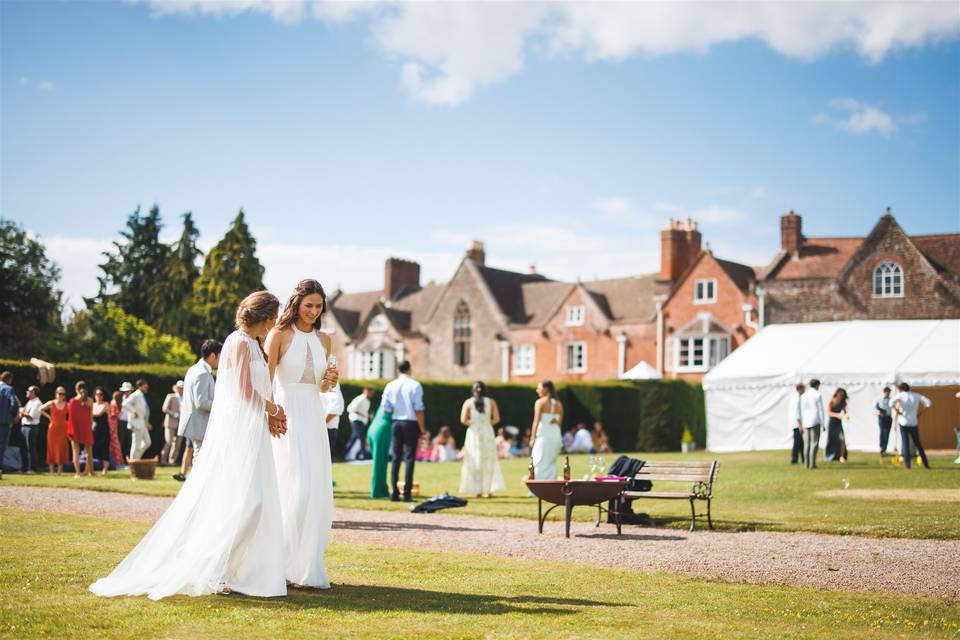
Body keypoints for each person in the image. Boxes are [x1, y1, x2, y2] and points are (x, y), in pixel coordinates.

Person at [90, 290, 289, 600]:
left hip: (255, 430)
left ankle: (231, 567)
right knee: (249, 502)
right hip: (241, 432)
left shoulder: (253, 344)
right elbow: (243, 391)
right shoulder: (238, 342)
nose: (275, 322)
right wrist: (274, 410)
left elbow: (259, 387)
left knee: (255, 501)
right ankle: (215, 564)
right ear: (262, 316)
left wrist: (271, 416)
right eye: (273, 317)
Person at [265, 278, 338, 589]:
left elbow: (320, 386)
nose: (313, 311)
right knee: (289, 486)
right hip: (286, 413)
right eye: (309, 305)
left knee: (313, 489)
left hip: (312, 415)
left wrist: (329, 383)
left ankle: (305, 564)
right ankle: (275, 563)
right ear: (296, 304)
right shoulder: (278, 335)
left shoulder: (325, 340)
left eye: (318, 306)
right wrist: (269, 414)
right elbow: (264, 381)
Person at [175, 339, 222, 482]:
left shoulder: (194, 369)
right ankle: (196, 490)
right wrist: (222, 404)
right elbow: (201, 402)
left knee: (199, 456)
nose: (222, 360)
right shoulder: (202, 373)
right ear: (213, 355)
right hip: (199, 422)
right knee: (200, 457)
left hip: (195, 422)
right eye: (220, 356)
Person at [381, 360, 426, 502]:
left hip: (396, 422)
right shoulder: (415, 385)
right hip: (410, 422)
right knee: (409, 458)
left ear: (398, 370)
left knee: (395, 457)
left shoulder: (390, 385)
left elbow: (385, 407)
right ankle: (407, 493)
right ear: (409, 369)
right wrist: (423, 429)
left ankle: (394, 492)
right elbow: (418, 409)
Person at [458, 381, 504, 497]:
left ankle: (477, 490)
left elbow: (463, 420)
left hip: (473, 432)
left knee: (474, 459)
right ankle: (487, 490)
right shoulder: (491, 402)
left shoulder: (468, 402)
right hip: (487, 432)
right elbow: (497, 419)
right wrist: (486, 423)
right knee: (488, 459)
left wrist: (474, 422)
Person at [891, 382, 932, 470]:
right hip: (913, 422)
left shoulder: (901, 395)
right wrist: (920, 413)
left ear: (901, 389)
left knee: (905, 444)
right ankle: (926, 464)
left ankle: (907, 465)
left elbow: (891, 403)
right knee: (918, 443)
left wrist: (897, 411)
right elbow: (928, 403)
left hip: (903, 422)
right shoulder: (916, 395)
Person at [530, 381, 563, 481]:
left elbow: (536, 421)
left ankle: (539, 486)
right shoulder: (559, 404)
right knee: (551, 461)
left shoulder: (540, 402)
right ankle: (551, 484)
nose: (537, 390)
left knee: (538, 460)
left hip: (544, 435)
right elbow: (559, 423)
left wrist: (532, 437)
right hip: (556, 434)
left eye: (539, 388)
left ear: (546, 389)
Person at [68, 381, 95, 477]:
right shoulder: (90, 401)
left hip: (75, 428)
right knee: (89, 451)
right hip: (86, 427)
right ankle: (91, 472)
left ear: (76, 389)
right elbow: (91, 417)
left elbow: (71, 418)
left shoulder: (72, 401)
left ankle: (78, 473)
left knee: (75, 451)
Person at [41, 387, 70, 475]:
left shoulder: (67, 405)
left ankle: (60, 471)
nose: (61, 395)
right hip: (53, 429)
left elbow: (72, 415)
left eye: (63, 394)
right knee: (51, 448)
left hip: (63, 429)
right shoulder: (51, 403)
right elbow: (40, 409)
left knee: (62, 448)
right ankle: (51, 472)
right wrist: (49, 417)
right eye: (59, 393)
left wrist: (68, 423)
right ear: (56, 393)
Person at [367, 403, 393, 498]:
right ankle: (376, 492)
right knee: (379, 464)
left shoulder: (385, 398)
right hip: (382, 430)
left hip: (374, 428)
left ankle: (382, 489)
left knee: (380, 463)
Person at [799, 378, 825, 469]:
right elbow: (821, 410)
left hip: (805, 422)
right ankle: (812, 463)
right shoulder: (817, 395)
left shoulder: (804, 395)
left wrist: (801, 423)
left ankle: (806, 464)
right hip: (815, 421)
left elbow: (801, 410)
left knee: (806, 444)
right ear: (817, 385)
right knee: (814, 443)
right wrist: (823, 423)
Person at [123, 380, 152, 461]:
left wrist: (146, 422)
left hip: (142, 423)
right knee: (136, 444)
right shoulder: (136, 394)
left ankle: (136, 458)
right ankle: (133, 461)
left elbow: (144, 410)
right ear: (140, 387)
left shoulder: (141, 395)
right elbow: (125, 404)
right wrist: (133, 411)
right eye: (145, 387)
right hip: (136, 424)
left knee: (147, 442)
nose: (146, 388)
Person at [345, 387, 375, 461]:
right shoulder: (359, 399)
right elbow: (350, 409)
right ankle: (347, 453)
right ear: (366, 390)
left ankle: (362, 455)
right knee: (356, 437)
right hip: (356, 420)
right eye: (371, 392)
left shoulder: (368, 401)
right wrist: (365, 415)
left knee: (359, 438)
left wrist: (368, 416)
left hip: (362, 421)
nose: (372, 394)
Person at [18, 385, 42, 474]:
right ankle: (24, 468)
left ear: (34, 392)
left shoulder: (37, 403)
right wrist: (23, 412)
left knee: (30, 448)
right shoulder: (29, 402)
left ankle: (32, 468)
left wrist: (22, 412)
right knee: (23, 448)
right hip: (24, 426)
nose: (27, 392)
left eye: (29, 390)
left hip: (31, 427)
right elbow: (24, 413)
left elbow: (32, 416)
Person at [161, 381, 183, 466]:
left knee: (177, 444)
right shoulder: (171, 396)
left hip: (181, 424)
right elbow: (165, 408)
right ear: (176, 388)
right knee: (169, 442)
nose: (181, 389)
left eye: (182, 387)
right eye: (179, 387)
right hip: (170, 423)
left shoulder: (185, 398)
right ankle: (163, 460)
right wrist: (174, 414)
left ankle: (172, 461)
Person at [0, 372, 17, 479]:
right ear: (9, 379)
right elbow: (13, 403)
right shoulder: (8, 389)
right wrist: (12, 416)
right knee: (1, 446)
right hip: (4, 421)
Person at [825, 388, 849, 463]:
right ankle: (830, 456)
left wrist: (846, 416)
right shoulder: (832, 401)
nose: (841, 396)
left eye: (843, 395)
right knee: (831, 440)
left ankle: (841, 456)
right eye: (840, 394)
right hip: (832, 423)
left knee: (842, 439)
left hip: (839, 423)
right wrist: (837, 415)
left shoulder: (843, 403)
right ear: (837, 393)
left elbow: (845, 412)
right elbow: (828, 412)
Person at [91, 387, 111, 475]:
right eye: (97, 394)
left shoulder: (106, 404)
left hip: (104, 430)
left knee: (104, 449)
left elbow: (98, 413)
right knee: (91, 448)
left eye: (100, 394)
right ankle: (90, 469)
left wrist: (88, 413)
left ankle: (105, 470)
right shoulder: (93, 404)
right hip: (94, 429)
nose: (98, 396)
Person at [107, 391, 126, 469]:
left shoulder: (113, 402)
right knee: (115, 443)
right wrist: (121, 412)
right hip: (112, 425)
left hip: (113, 425)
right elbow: (114, 415)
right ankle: (118, 461)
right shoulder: (114, 403)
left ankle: (115, 461)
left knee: (113, 444)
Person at [788, 383, 805, 465]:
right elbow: (797, 413)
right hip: (797, 424)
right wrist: (800, 425)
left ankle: (803, 458)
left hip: (796, 424)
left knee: (801, 442)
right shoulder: (797, 399)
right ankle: (794, 459)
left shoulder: (795, 398)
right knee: (797, 442)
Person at [117, 382, 134, 458]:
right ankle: (120, 459)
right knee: (121, 440)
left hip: (131, 421)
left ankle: (129, 458)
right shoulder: (119, 398)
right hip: (121, 421)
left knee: (130, 441)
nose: (127, 393)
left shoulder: (134, 398)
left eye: (128, 391)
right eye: (125, 391)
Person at [876, 386, 893, 457]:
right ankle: (882, 448)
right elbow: (875, 407)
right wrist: (879, 412)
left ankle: (884, 449)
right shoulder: (879, 399)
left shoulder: (891, 400)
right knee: (882, 432)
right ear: (884, 392)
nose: (888, 394)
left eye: (889, 392)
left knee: (887, 433)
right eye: (887, 392)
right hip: (882, 417)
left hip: (888, 417)